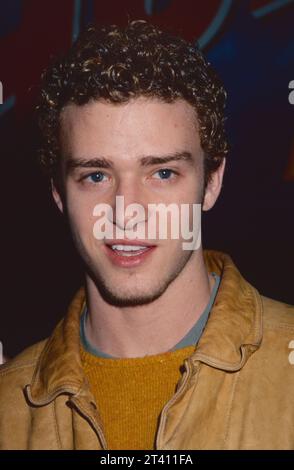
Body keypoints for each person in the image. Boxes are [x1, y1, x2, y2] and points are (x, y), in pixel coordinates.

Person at [0, 20, 293, 451]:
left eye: (162, 173)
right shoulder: (9, 406)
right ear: (59, 193)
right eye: (96, 175)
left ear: (211, 182)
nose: (127, 211)